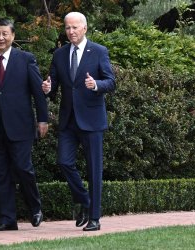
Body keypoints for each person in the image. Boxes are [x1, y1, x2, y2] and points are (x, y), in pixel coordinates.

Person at [0, 18, 48, 231]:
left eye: (5, 33)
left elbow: (38, 92)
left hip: (21, 126)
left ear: (13, 36)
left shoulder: (26, 59)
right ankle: (8, 219)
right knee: (1, 174)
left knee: (24, 168)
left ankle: (35, 208)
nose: (1, 38)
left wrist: (43, 119)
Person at [42, 12, 115, 231]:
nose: (71, 32)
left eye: (75, 27)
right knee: (64, 162)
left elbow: (110, 81)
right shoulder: (59, 54)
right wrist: (47, 88)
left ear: (84, 28)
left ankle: (94, 218)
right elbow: (53, 84)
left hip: (92, 119)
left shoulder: (99, 51)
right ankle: (84, 200)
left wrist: (96, 85)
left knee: (94, 170)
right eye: (67, 28)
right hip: (68, 120)